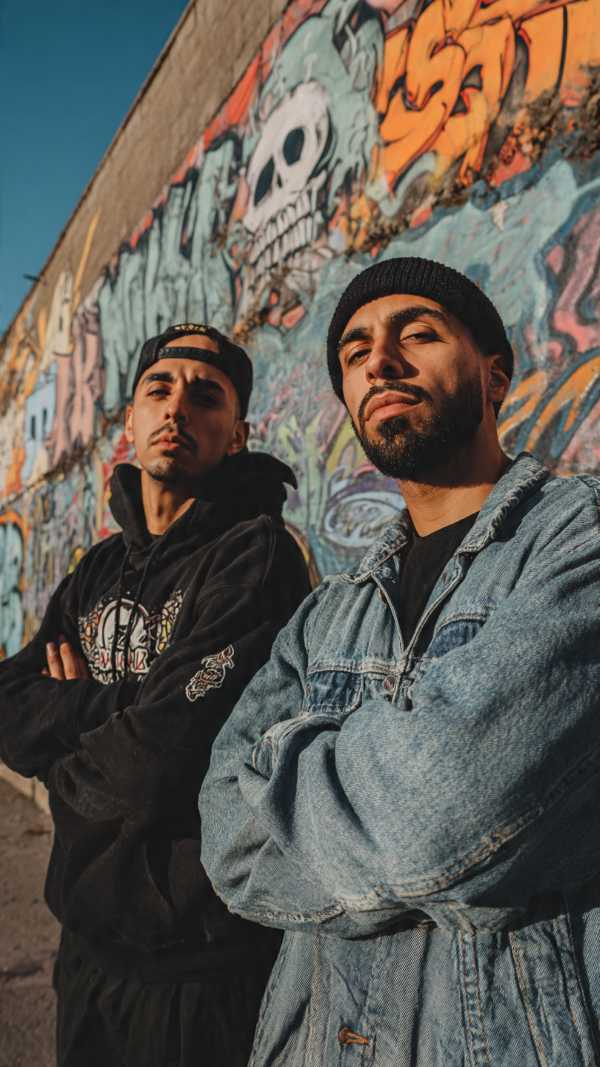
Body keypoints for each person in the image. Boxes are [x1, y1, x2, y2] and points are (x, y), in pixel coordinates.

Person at [201, 259, 600, 1066]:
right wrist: (450, 872)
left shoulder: (578, 537)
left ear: (495, 375)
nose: (379, 360)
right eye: (354, 352)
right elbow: (224, 837)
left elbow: (441, 808)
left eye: (417, 334)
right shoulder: (325, 613)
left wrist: (286, 768)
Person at [0, 322, 311, 1067]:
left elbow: (159, 766)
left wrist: (70, 736)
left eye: (207, 396)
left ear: (236, 434)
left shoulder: (257, 553)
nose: (178, 408)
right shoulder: (96, 568)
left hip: (196, 971)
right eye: (159, 389)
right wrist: (132, 702)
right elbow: (9, 704)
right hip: (84, 948)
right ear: (131, 421)